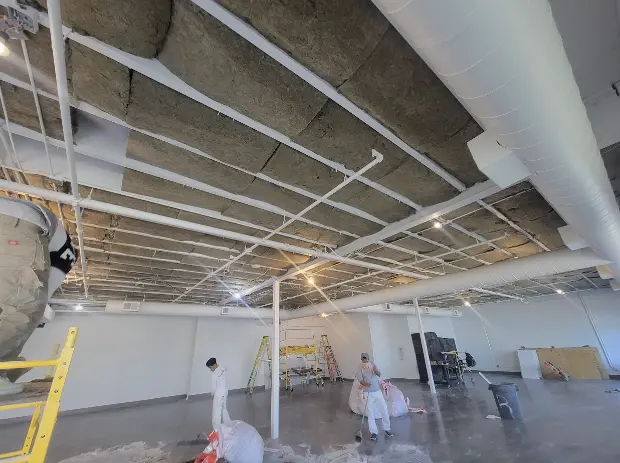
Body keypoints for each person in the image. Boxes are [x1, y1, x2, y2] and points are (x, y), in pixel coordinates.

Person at [0, 198, 76, 396]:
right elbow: (38, 296)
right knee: (24, 307)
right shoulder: (65, 254)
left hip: (12, 221)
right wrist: (39, 309)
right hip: (17, 221)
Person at [357, 353, 394, 441]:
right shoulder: (360, 368)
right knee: (370, 413)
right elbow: (360, 380)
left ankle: (387, 429)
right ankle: (374, 432)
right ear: (361, 359)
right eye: (363, 359)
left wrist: (374, 369)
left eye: (366, 359)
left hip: (377, 391)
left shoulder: (372, 365)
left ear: (368, 359)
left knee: (384, 410)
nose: (365, 360)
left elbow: (379, 374)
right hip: (368, 392)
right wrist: (366, 384)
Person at [206, 357, 231, 431]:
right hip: (225, 393)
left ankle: (216, 429)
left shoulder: (214, 374)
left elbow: (214, 388)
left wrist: (212, 393)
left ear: (214, 365)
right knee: (224, 409)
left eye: (210, 367)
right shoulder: (223, 370)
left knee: (216, 411)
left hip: (218, 395)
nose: (210, 369)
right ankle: (228, 425)